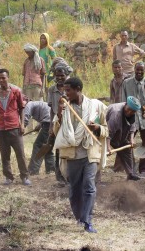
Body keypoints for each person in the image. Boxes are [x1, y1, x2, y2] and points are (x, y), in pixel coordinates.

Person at [54, 77, 106, 233]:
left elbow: (106, 129)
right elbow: (57, 132)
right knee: (74, 190)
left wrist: (98, 128)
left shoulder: (96, 106)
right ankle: (79, 217)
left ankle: (87, 220)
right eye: (64, 90)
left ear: (78, 89)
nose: (65, 93)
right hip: (72, 155)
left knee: (89, 187)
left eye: (68, 90)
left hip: (90, 154)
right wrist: (59, 114)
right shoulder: (65, 108)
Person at [0, 69, 31, 186]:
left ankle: (24, 177)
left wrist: (22, 124)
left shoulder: (16, 92)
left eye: (3, 78)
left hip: (14, 128)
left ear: (8, 78)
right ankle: (8, 177)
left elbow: (22, 109)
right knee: (5, 155)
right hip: (2, 130)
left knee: (20, 154)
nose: (1, 80)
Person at [122, 61, 145, 174]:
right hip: (131, 118)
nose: (139, 72)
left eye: (141, 70)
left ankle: (144, 170)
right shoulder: (127, 83)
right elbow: (123, 101)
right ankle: (131, 169)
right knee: (128, 143)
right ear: (134, 70)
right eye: (137, 69)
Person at [47, 62, 72, 186]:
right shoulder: (52, 89)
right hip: (57, 123)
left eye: (62, 75)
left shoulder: (72, 87)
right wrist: (51, 126)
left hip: (70, 122)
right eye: (57, 75)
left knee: (70, 149)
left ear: (66, 75)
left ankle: (70, 175)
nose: (59, 77)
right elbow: (51, 109)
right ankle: (60, 176)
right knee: (58, 150)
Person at [106, 96, 141, 181]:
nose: (129, 112)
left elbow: (132, 128)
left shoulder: (132, 113)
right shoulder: (116, 113)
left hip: (121, 134)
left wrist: (132, 140)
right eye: (128, 109)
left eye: (132, 111)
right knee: (98, 157)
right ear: (126, 104)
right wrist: (108, 147)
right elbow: (108, 133)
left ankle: (130, 174)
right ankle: (95, 180)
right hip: (105, 133)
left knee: (127, 150)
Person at [23, 97, 53, 175]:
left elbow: (26, 116)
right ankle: (51, 169)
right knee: (48, 147)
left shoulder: (29, 104)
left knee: (38, 146)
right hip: (52, 123)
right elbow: (46, 113)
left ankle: (33, 170)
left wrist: (22, 128)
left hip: (49, 124)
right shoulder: (37, 104)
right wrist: (40, 125)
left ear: (26, 100)